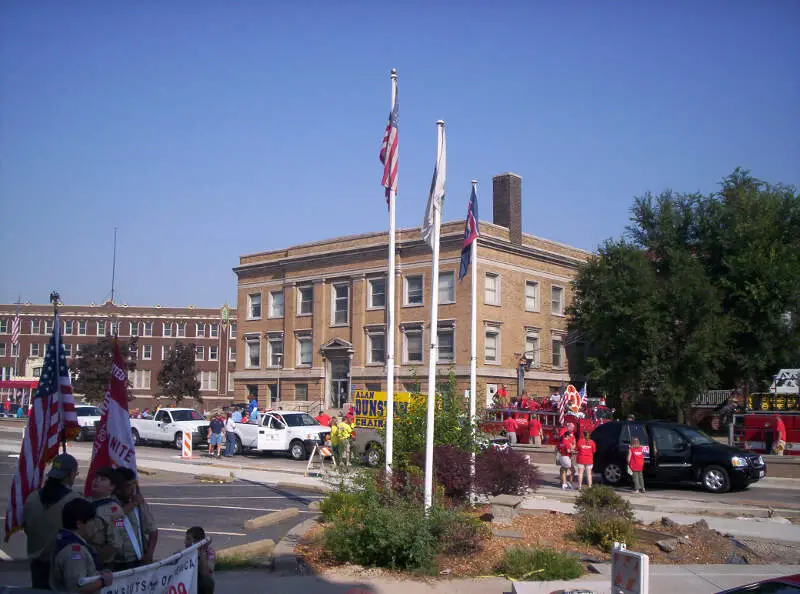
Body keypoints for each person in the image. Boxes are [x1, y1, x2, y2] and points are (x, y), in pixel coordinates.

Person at [23, 453, 81, 589]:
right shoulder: (75, 501)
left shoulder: (32, 498)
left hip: (36, 563)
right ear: (71, 475)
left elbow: (27, 529)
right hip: (62, 566)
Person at [50, 498, 113, 593]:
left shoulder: (67, 541)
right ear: (79, 524)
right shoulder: (74, 552)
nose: (94, 525)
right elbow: (76, 588)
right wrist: (103, 582)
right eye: (91, 520)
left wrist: (99, 575)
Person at [115, 468, 159, 569]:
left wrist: (149, 553)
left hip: (138, 559)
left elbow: (153, 530)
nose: (132, 489)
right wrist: (132, 504)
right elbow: (115, 517)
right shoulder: (111, 504)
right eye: (128, 486)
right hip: (116, 561)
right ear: (117, 488)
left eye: (133, 484)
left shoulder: (139, 503)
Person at [85, 467, 126, 569]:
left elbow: (115, 543)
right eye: (96, 478)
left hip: (99, 563)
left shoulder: (115, 511)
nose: (97, 481)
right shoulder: (84, 502)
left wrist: (97, 561)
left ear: (112, 487)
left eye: (103, 479)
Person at [186, 526, 215, 594]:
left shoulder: (209, 552)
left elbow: (206, 573)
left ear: (197, 542)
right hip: (187, 580)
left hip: (199, 581)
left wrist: (202, 551)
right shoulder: (184, 552)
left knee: (207, 581)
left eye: (188, 539)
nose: (185, 542)